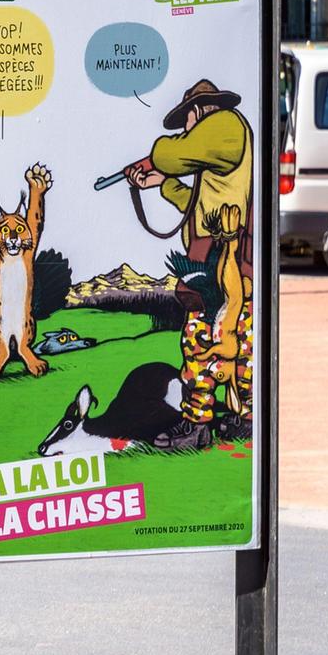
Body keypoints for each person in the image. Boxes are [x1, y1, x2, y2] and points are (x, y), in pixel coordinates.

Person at [118, 77, 252, 446]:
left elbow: (169, 153)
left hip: (222, 262)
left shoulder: (225, 125)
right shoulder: (217, 154)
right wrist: (161, 183)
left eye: (187, 120)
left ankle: (197, 424)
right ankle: (244, 418)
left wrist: (159, 160)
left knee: (200, 343)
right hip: (224, 259)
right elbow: (195, 207)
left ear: (198, 112)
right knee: (238, 343)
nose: (186, 128)